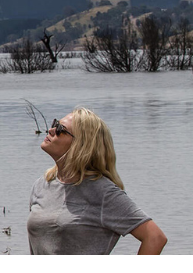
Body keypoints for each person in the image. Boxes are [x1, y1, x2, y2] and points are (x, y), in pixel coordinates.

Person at [27, 108, 167, 255]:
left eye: (61, 129)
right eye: (55, 123)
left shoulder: (102, 192)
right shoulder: (42, 185)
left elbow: (155, 237)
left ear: (81, 145)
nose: (51, 130)